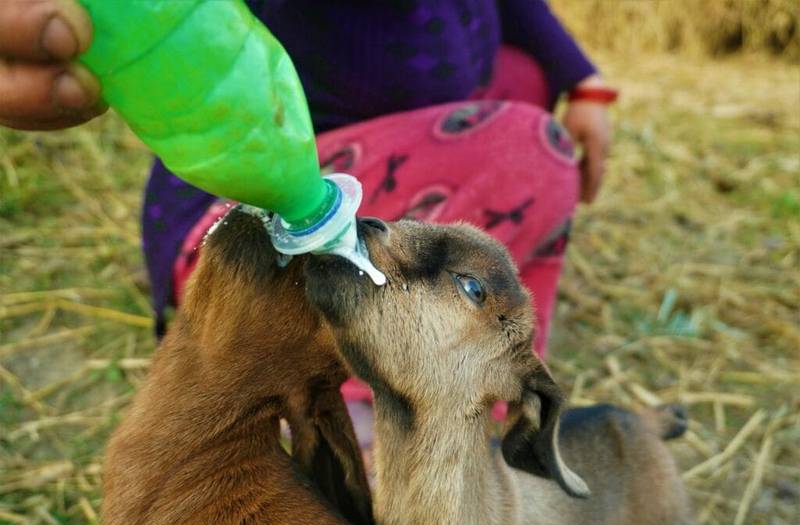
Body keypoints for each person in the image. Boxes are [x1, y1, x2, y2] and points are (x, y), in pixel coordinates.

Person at [0, 0, 614, 429]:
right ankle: (347, 398)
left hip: (355, 173)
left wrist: (580, 78)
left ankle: (458, 369)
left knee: (524, 75)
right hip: (249, 225)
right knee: (530, 153)